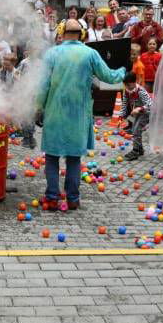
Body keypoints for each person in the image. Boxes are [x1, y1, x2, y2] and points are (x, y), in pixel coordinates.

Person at [36, 19, 125, 210]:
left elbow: (43, 86)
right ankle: (73, 199)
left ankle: (52, 198)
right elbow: (109, 77)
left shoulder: (52, 53)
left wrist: (38, 107)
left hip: (55, 112)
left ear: (61, 32)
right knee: (74, 157)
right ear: (82, 34)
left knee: (52, 156)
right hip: (78, 115)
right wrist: (124, 70)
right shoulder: (90, 53)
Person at [120, 72, 152, 161]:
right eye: (125, 85)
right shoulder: (127, 91)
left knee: (136, 130)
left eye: (128, 85)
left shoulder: (141, 91)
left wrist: (140, 108)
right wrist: (121, 115)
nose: (127, 87)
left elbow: (150, 104)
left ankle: (135, 151)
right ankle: (140, 149)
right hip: (136, 113)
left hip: (146, 113)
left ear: (134, 82)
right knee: (133, 129)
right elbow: (124, 103)